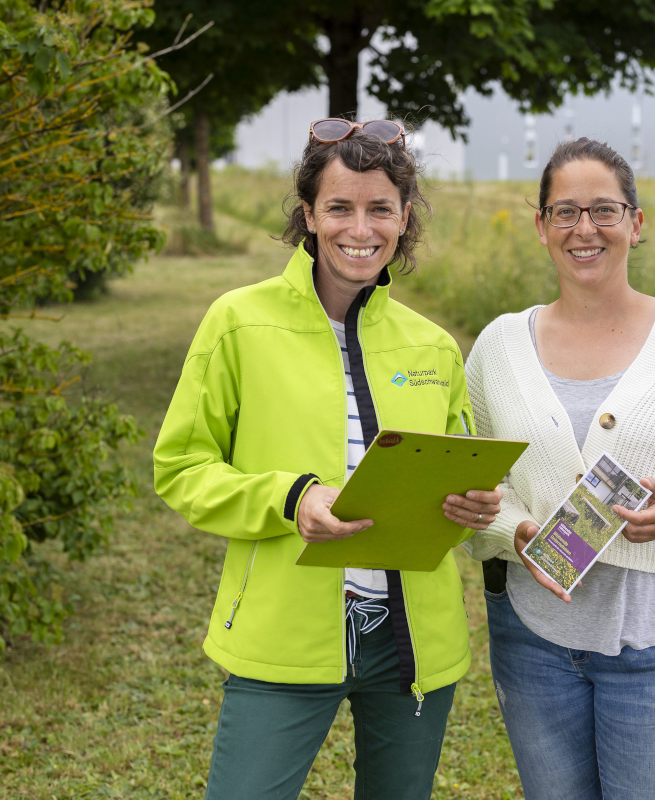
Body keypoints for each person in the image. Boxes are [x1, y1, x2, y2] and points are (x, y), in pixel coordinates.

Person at [153, 118, 502, 800]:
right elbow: (182, 467)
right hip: (282, 630)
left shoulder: (433, 346)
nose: (359, 228)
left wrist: (472, 506)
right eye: (339, 207)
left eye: (379, 209)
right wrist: (291, 498)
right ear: (308, 215)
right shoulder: (238, 322)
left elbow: (458, 477)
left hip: (412, 648)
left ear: (404, 218)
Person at [463, 137, 655, 800]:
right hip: (534, 641)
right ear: (541, 226)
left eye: (604, 210)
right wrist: (519, 531)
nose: (585, 229)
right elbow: (474, 486)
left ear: (637, 224)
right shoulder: (498, 347)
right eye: (565, 212)